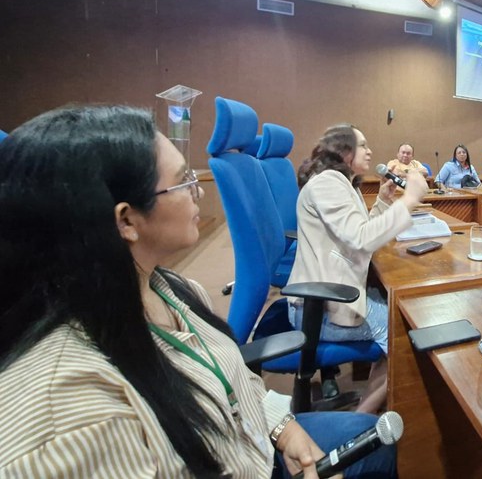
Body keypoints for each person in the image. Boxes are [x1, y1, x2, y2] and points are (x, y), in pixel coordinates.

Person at [0, 106, 396, 479]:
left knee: (377, 439)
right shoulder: (68, 411)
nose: (200, 191)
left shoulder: (172, 287)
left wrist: (283, 427)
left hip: (253, 441)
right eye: (184, 181)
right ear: (126, 220)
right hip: (245, 458)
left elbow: (234, 379)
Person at [289, 124, 428, 415]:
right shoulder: (328, 182)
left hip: (333, 295)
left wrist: (382, 202)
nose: (370, 151)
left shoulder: (340, 182)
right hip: (322, 306)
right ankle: (361, 420)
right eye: (363, 145)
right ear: (344, 151)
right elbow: (362, 239)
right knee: (407, 332)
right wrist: (410, 199)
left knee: (403, 316)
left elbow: (357, 233)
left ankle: (367, 409)